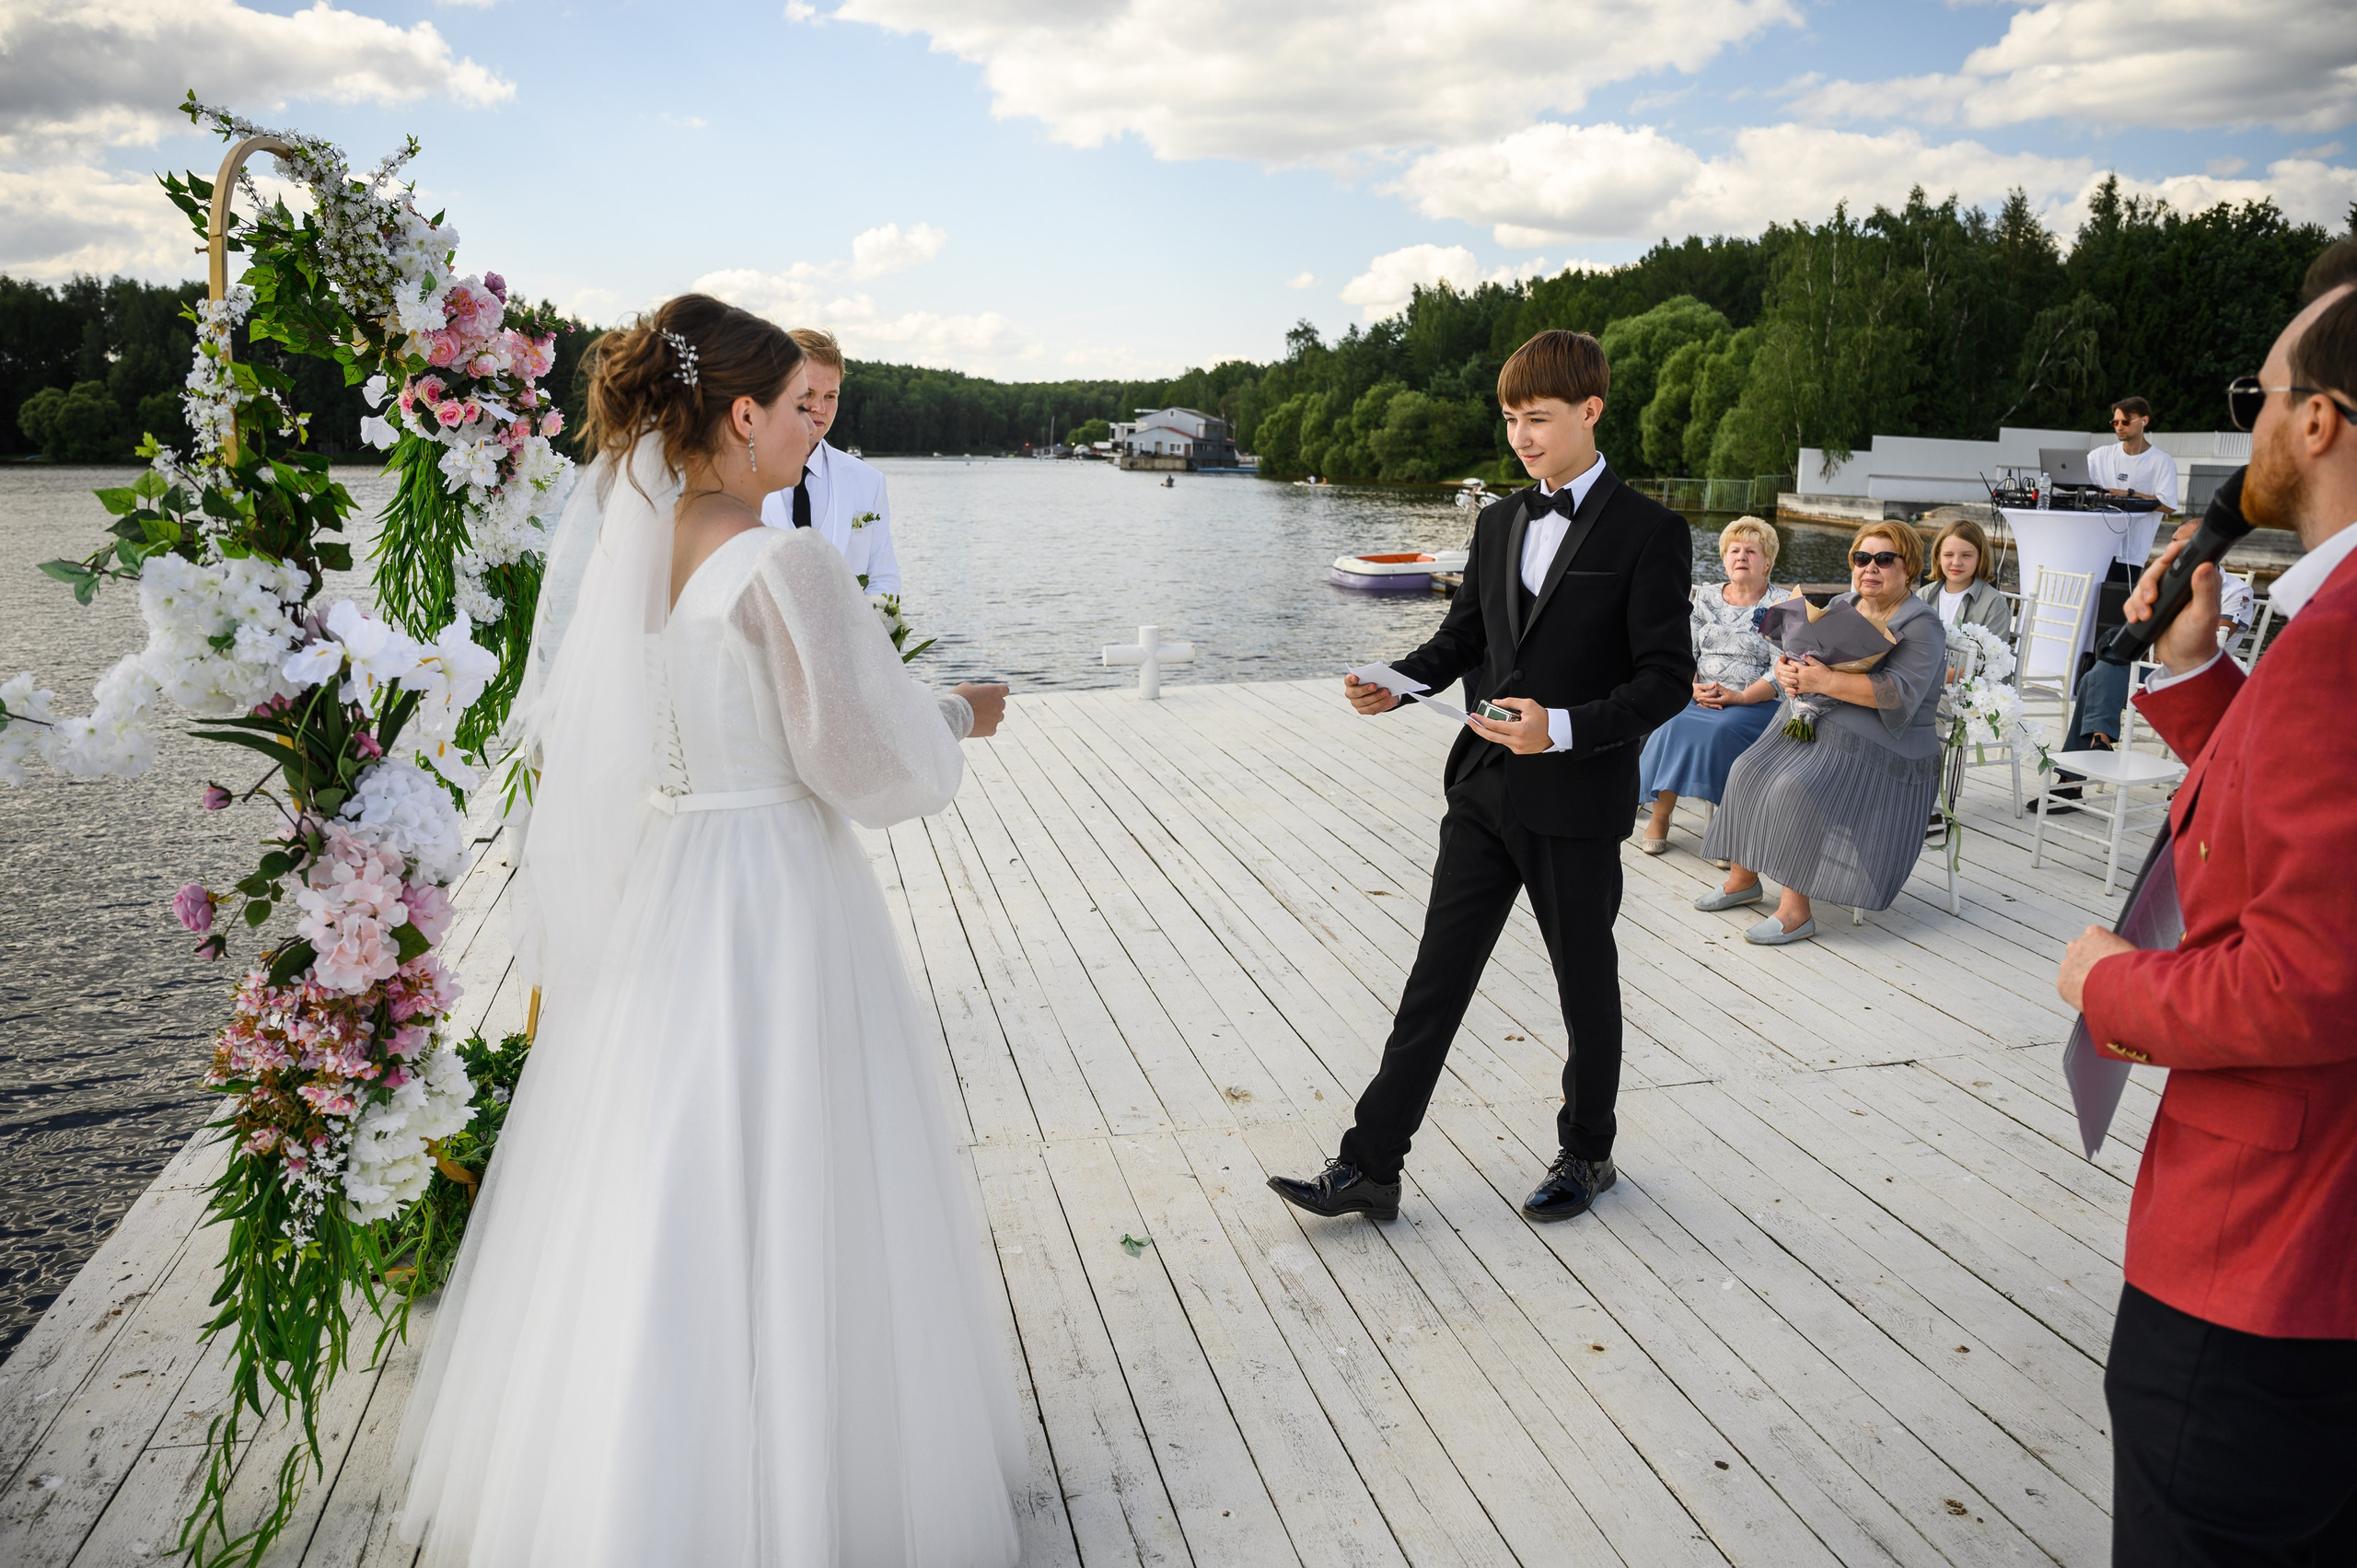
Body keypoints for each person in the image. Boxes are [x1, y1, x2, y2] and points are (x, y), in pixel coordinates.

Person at [395, 296, 1023, 1566]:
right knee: (801, 1156)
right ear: (740, 411)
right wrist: (954, 713)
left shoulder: (647, 550)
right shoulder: (783, 560)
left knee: (665, 1160)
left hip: (674, 872)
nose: (808, 432)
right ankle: (810, 1479)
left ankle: (632, 1475)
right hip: (778, 886)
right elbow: (860, 761)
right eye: (795, 405)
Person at [2055, 239, 2357, 1567]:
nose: (2249, 427)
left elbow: (2309, 973)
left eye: (2259, 393)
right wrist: (2193, 678)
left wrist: (2106, 984)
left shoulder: (2344, 639)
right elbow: (2307, 833)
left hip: (2272, 1264)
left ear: (2317, 418)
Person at [1267, 329, 1691, 1226]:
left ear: (1589, 409)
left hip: (1576, 799)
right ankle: (1369, 1166)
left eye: (1536, 418)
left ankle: (1587, 1150)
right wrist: (1400, 678)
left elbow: (1663, 680)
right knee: (1434, 979)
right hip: (1483, 791)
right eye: (1509, 420)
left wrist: (1563, 728)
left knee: (1585, 985)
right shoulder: (1498, 520)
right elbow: (1466, 636)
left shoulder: (1652, 531)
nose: (1521, 437)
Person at [1695, 523, 1946, 945]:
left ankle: (1795, 911)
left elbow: (1899, 695)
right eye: (1861, 559)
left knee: (1794, 787)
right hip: (1827, 725)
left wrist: (1824, 682)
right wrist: (1788, 671)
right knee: (1747, 769)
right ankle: (1743, 879)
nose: (1870, 567)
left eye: (1885, 559)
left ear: (1910, 568)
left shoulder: (1922, 624)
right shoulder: (1846, 603)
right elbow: (1806, 655)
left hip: (1891, 748)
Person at [1637, 515, 1793, 854]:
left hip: (1755, 703)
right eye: (1734, 550)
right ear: (1724, 559)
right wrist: (1691, 688)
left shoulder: (1782, 603)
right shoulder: (1704, 597)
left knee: (1724, 733)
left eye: (1751, 551)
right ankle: (1661, 817)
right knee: (1670, 723)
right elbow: (1683, 652)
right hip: (1699, 696)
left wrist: (1740, 697)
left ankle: (1730, 832)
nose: (1741, 557)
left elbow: (1780, 670)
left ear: (1767, 561)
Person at [757, 328, 901, 595]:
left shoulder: (869, 481)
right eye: (808, 393)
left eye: (830, 396)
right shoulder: (740, 473)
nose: (819, 408)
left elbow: (883, 580)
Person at [1915, 517, 2012, 640]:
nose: (1956, 562)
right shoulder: (1923, 595)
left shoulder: (1994, 604)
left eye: (1966, 555)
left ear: (1980, 557)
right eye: (1948, 555)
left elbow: (1994, 656)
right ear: (1938, 556)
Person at [2088, 396, 2181, 514]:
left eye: (2126, 422)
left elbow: (2168, 506)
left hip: (2140, 532)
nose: (2119, 427)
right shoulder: (2099, 455)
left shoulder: (2162, 461)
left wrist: (2127, 495)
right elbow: (2074, 480)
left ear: (2144, 421)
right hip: (2102, 530)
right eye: (2115, 422)